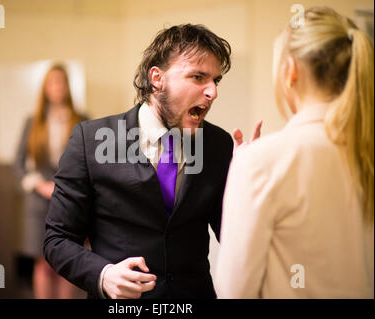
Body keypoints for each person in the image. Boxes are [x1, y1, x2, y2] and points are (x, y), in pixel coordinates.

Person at [44, 24, 261, 299]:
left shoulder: (217, 144)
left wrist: (246, 182)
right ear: (157, 79)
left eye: (215, 81)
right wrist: (104, 274)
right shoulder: (92, 140)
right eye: (198, 77)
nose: (212, 93)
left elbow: (232, 236)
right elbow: (57, 240)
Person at [215, 7, 374, 298]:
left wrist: (243, 175)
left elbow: (233, 293)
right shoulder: (365, 152)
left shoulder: (261, 162)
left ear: (291, 70)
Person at [14, 64, 86, 299]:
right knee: (43, 264)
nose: (57, 87)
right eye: (52, 82)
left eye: (62, 81)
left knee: (67, 262)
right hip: (39, 203)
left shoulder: (82, 120)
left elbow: (92, 163)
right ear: (45, 87)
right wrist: (38, 184)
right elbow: (19, 163)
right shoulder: (33, 121)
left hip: (71, 201)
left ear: (68, 87)